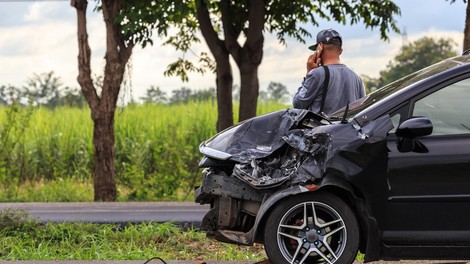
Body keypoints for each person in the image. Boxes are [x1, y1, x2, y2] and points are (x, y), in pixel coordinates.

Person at [293, 28, 365, 115]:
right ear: (341, 51)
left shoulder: (316, 74)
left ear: (320, 47)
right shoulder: (356, 78)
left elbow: (298, 104)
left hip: (322, 128)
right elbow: (362, 108)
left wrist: (309, 72)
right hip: (348, 128)